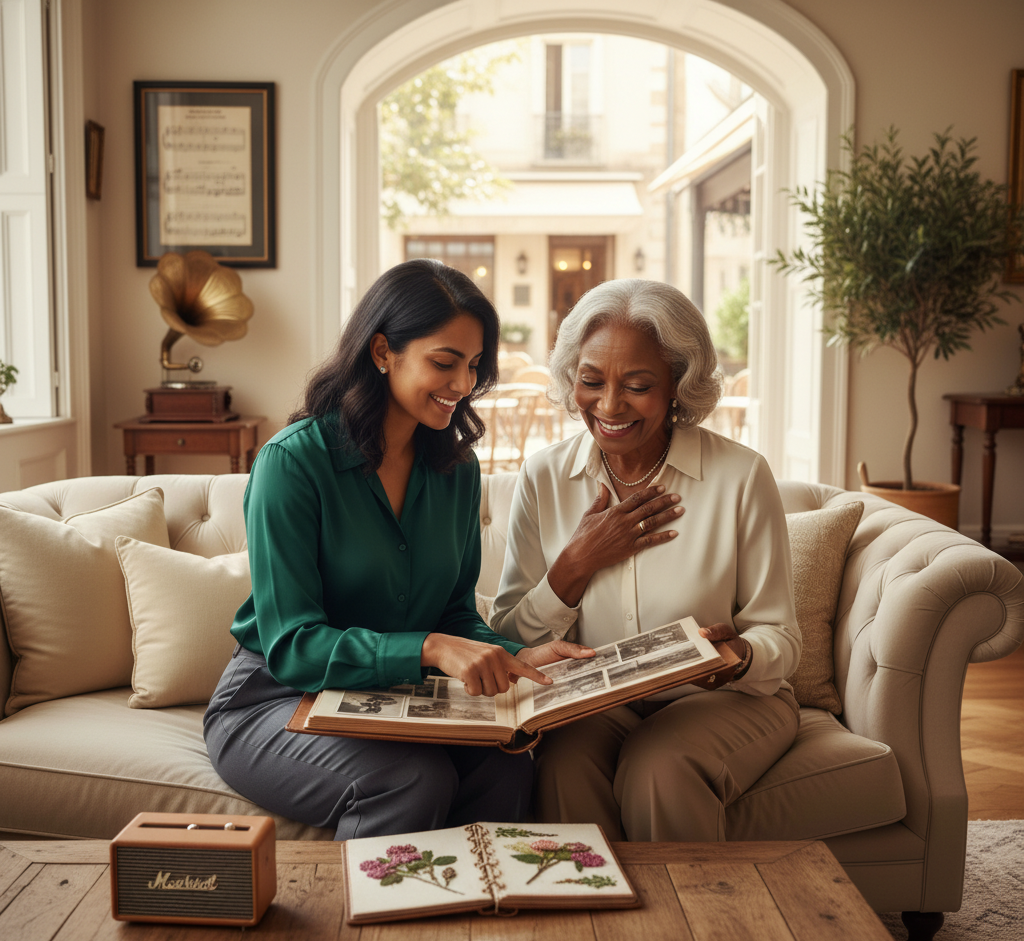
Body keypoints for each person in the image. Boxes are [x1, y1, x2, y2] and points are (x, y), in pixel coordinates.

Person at [204, 259, 592, 840]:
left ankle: (481, 923)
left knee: (506, 766)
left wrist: (514, 654)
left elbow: (456, 612)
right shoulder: (293, 463)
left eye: (473, 366)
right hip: (275, 700)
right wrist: (430, 650)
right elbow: (293, 645)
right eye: (444, 362)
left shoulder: (456, 469)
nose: (463, 385)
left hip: (394, 702)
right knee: (411, 779)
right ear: (383, 351)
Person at [490, 278, 801, 842]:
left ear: (679, 384)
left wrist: (737, 655)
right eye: (590, 381)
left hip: (728, 700)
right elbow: (511, 636)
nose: (608, 406)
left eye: (637, 385)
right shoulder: (544, 478)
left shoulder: (741, 476)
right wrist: (574, 567)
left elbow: (781, 637)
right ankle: (591, 923)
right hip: (598, 706)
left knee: (658, 766)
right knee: (561, 764)